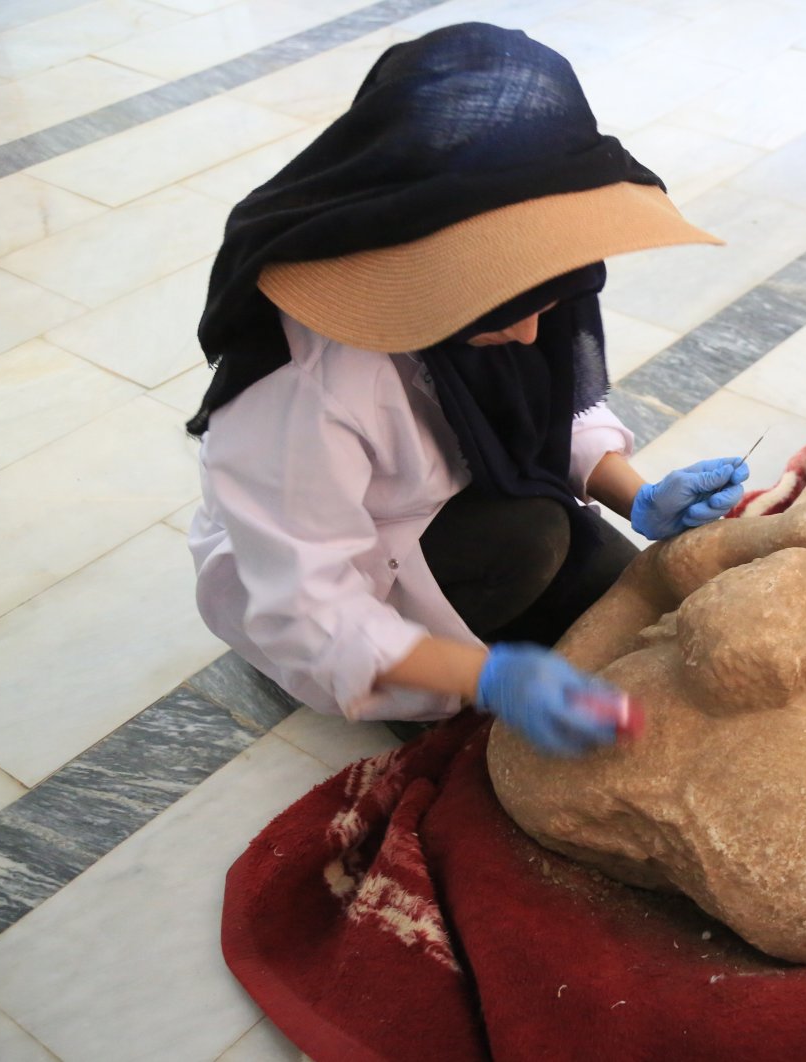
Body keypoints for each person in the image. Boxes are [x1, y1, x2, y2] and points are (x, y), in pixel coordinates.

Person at [185, 24, 747, 757]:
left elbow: (549, 411)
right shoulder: (305, 387)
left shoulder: (528, 281)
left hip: (471, 495)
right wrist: (487, 678)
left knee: (630, 599)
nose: (525, 337)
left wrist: (635, 494)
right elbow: (306, 605)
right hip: (326, 574)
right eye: (498, 318)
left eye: (544, 306)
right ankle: (423, 670)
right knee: (528, 555)